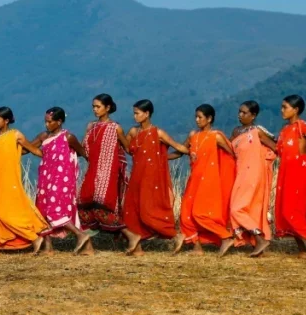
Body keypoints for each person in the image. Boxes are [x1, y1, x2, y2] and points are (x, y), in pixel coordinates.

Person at [0, 106, 49, 255]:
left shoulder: (15, 135)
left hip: (10, 180)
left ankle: (34, 238)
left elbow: (32, 149)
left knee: (6, 214)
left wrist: (52, 157)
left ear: (6, 120)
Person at [123, 99, 189, 255]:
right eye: (134, 113)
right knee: (131, 210)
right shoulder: (133, 132)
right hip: (136, 176)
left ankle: (175, 235)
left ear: (146, 114)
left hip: (151, 178)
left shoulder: (158, 133)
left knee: (148, 211)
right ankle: (137, 248)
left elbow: (177, 147)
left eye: (137, 113)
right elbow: (127, 148)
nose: (134, 117)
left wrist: (193, 150)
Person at [169, 104, 236, 256]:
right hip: (194, 179)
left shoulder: (216, 136)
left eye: (200, 117)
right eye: (196, 117)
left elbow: (232, 155)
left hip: (209, 181)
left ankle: (225, 237)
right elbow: (182, 151)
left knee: (200, 213)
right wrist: (162, 156)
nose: (197, 120)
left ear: (209, 118)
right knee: (186, 214)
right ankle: (197, 247)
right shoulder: (193, 135)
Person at [30, 107, 91, 255]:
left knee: (55, 209)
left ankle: (80, 234)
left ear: (59, 121)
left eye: (50, 122)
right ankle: (48, 247)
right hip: (45, 177)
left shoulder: (68, 137)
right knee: (42, 208)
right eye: (45, 122)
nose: (47, 125)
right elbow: (28, 148)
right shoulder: (43, 136)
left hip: (62, 179)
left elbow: (83, 153)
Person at [77, 94, 132, 253]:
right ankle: (88, 246)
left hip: (108, 173)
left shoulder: (115, 128)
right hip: (92, 171)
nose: (95, 110)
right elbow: (84, 149)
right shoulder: (91, 127)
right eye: (93, 107)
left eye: (98, 107)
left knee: (102, 206)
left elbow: (127, 149)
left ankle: (131, 236)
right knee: (83, 204)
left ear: (107, 108)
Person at [226, 100, 277, 258]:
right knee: (247, 208)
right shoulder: (236, 131)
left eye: (244, 113)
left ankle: (259, 239)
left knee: (236, 209)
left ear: (253, 115)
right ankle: (257, 245)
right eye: (239, 112)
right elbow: (229, 150)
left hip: (254, 173)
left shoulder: (258, 132)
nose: (240, 115)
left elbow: (275, 148)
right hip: (240, 172)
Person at [275, 95, 306, 259]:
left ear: (295, 110)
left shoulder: (302, 127)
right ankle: (302, 248)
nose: (282, 110)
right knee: (284, 211)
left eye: (285, 107)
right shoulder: (285, 129)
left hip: (299, 172)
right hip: (285, 172)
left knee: (292, 211)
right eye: (282, 107)